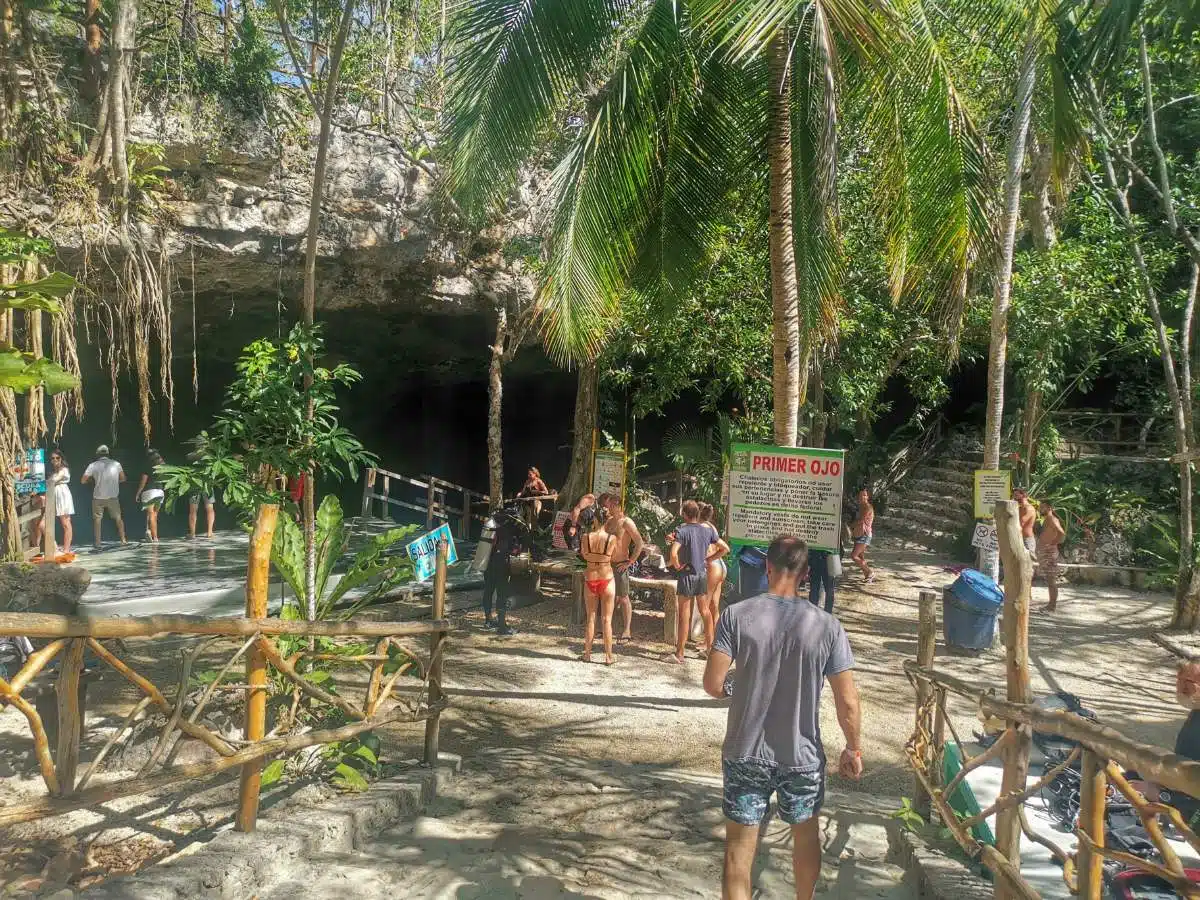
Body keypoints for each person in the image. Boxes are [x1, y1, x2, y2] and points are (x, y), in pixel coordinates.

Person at [703, 535, 863, 900]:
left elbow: (713, 684)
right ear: (806, 574)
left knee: (738, 853)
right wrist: (853, 748)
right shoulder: (827, 627)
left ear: (766, 566)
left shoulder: (736, 616)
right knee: (805, 839)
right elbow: (847, 700)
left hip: (744, 752)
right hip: (801, 756)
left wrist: (738, 687)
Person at [669, 500, 730, 663]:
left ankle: (680, 653)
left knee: (684, 613)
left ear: (684, 514)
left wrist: (677, 566)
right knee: (706, 611)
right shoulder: (707, 530)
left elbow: (674, 553)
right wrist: (709, 559)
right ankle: (710, 649)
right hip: (702, 574)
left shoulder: (682, 530)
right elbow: (725, 548)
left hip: (687, 574)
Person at [601, 493, 644, 642]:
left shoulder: (627, 522)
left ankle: (627, 630)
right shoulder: (608, 521)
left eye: (612, 505)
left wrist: (630, 561)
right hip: (607, 565)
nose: (609, 508)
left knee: (624, 597)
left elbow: (639, 542)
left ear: (618, 506)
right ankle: (607, 627)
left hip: (621, 565)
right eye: (608, 505)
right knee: (608, 596)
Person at [578, 505, 617, 665]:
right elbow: (613, 556)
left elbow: (584, 555)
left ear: (594, 519)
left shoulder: (586, 537)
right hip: (607, 577)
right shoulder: (612, 538)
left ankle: (587, 654)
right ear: (606, 520)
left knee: (591, 618)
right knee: (607, 620)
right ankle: (608, 656)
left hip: (590, 578)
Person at [82, 444, 127, 551]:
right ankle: (123, 540)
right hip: (113, 496)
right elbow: (123, 478)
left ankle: (98, 543)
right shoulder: (116, 464)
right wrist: (115, 481)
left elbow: (83, 480)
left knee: (97, 520)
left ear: (97, 454)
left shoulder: (93, 465)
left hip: (98, 497)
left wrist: (92, 481)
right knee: (118, 518)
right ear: (108, 453)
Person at [482, 509, 520, 636]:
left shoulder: (490, 526)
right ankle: (502, 627)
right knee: (502, 594)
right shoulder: (508, 529)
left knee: (488, 590)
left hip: (487, 563)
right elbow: (513, 551)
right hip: (501, 565)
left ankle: (488, 620)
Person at [30, 450, 75, 555]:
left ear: (61, 459)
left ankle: (66, 549)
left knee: (65, 523)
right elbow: (50, 483)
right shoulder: (53, 472)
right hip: (51, 496)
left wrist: (38, 487)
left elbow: (53, 481)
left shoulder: (64, 470)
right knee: (42, 523)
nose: (55, 460)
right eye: (53, 458)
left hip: (62, 495)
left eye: (57, 458)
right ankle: (53, 546)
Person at [699, 502, 729, 621]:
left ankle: (708, 639)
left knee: (704, 606)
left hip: (712, 566)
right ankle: (714, 638)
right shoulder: (711, 526)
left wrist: (708, 559)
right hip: (720, 565)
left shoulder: (699, 528)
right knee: (714, 605)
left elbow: (725, 548)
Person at [1038, 503, 1066, 612]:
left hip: (1049, 553)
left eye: (1042, 507)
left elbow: (1062, 533)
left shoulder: (1053, 519)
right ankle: (1051, 604)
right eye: (1040, 507)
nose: (1040, 509)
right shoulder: (1047, 519)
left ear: (1049, 508)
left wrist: (1053, 543)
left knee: (1051, 580)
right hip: (1045, 552)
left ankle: (1052, 606)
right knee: (1049, 580)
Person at [136, 450, 166, 542]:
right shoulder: (163, 467)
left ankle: (154, 536)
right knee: (155, 514)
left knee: (151, 514)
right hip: (160, 492)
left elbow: (143, 481)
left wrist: (138, 493)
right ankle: (151, 533)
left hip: (150, 492)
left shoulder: (147, 466)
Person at [850, 489, 875, 583]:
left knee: (853, 556)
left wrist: (850, 526)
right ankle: (867, 575)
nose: (862, 497)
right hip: (858, 533)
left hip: (865, 535)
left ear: (867, 497)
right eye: (860, 495)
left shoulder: (868, 507)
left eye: (864, 495)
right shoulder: (860, 507)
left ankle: (870, 571)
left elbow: (861, 520)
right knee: (860, 556)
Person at [807, 547, 837, 614]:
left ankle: (815, 612)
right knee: (817, 589)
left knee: (822, 589)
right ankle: (825, 612)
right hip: (820, 561)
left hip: (820, 560)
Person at [1015, 487, 1037, 560]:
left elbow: (1021, 523)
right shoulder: (1020, 508)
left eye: (1016, 495)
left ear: (1023, 495)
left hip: (1027, 540)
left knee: (1030, 562)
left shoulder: (1029, 508)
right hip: (1019, 538)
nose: (1014, 497)